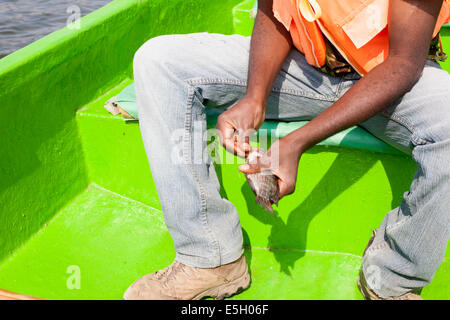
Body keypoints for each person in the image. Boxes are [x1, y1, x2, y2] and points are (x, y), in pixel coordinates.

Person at [123, 0, 450, 300]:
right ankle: (211, 258)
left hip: (391, 79)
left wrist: (295, 142)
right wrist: (254, 96)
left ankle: (391, 277)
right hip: (305, 69)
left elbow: (403, 63)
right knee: (159, 62)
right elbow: (272, 12)